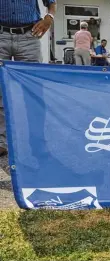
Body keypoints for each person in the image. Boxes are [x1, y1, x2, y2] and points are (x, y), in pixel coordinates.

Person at [0, 0, 57, 156]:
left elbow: (51, 2)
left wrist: (49, 17)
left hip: (29, 36)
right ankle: (1, 142)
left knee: (33, 92)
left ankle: (38, 143)